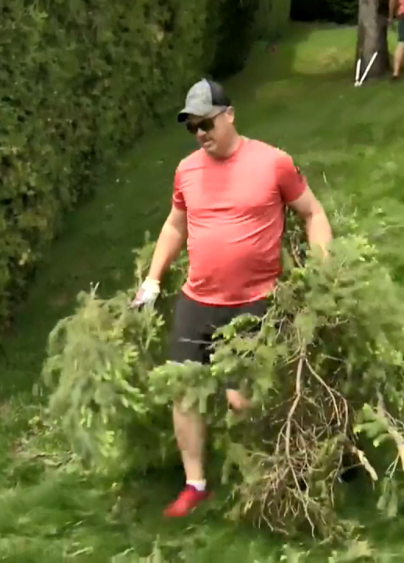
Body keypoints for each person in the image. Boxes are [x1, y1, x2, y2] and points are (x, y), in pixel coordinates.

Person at [131, 78, 333, 518]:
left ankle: (256, 474)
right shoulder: (187, 171)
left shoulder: (273, 163)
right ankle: (195, 484)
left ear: (230, 114)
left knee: (243, 399)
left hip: (254, 303)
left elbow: (313, 213)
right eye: (193, 128)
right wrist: (152, 279)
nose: (201, 133)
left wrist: (320, 274)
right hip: (197, 301)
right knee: (183, 392)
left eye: (207, 123)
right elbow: (175, 225)